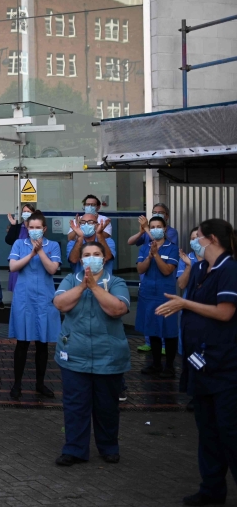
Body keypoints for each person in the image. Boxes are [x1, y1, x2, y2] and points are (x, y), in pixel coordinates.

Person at [154, 219, 237, 506]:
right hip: (199, 365)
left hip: (225, 367)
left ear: (211, 238)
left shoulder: (230, 269)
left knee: (230, 433)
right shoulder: (201, 268)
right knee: (208, 433)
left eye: (197, 236)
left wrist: (185, 304)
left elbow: (224, 313)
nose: (194, 240)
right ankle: (211, 490)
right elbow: (182, 285)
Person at [53, 243, 131, 466]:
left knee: (106, 406)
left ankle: (108, 447)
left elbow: (117, 309)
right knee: (75, 405)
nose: (91, 258)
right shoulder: (70, 280)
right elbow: (60, 303)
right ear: (80, 260)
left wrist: (95, 287)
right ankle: (74, 449)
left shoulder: (116, 282)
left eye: (96, 255)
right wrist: (82, 287)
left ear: (104, 260)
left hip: (108, 357)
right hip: (74, 355)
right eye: (87, 255)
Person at [7, 211, 61, 399]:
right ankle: (17, 384)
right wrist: (31, 253)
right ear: (27, 228)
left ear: (44, 229)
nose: (35, 231)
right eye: (31, 227)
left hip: (44, 299)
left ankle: (40, 383)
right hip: (24, 298)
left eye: (38, 227)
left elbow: (52, 269)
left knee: (42, 343)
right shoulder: (19, 244)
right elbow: (13, 267)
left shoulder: (52, 246)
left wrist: (40, 252)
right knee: (22, 343)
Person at [136, 215, 180, 377]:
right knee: (152, 329)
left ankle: (169, 366)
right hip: (148, 293)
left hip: (165, 295)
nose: (155, 229)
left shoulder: (172, 248)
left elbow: (167, 270)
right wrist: (149, 256)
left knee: (169, 331)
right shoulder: (145, 247)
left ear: (165, 229)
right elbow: (140, 269)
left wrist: (156, 255)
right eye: (152, 227)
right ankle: (155, 364)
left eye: (158, 226)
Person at [4, 203, 36, 292]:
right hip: (17, 262)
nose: (26, 213)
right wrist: (13, 225)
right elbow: (9, 241)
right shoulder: (17, 227)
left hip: (32, 261)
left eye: (28, 211)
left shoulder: (36, 228)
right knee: (17, 290)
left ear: (33, 213)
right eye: (24, 211)